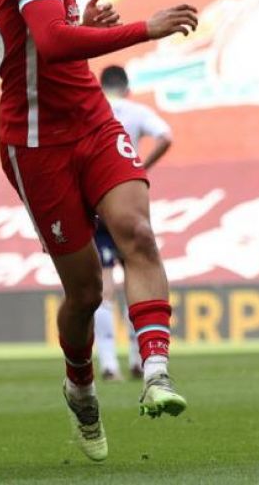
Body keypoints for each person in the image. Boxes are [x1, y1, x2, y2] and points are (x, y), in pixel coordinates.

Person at [0, 0, 196, 461]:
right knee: (87, 290)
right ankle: (80, 386)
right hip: (36, 146)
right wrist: (144, 28)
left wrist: (80, 24)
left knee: (136, 231)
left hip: (92, 122)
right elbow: (50, 43)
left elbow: (45, 39)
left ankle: (155, 371)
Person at [93, 65, 173, 381]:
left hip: (97, 202)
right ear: (127, 89)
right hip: (128, 199)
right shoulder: (137, 111)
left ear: (100, 87)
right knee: (136, 274)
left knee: (103, 284)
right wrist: (141, 167)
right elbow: (166, 136)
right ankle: (139, 358)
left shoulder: (92, 109)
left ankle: (108, 363)